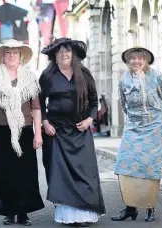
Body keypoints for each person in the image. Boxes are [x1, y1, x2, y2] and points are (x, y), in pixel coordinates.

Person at [39, 38, 106, 227]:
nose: (64, 54)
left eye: (67, 51)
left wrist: (89, 120)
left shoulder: (84, 74)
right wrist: (45, 123)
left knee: (84, 172)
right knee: (60, 174)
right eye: (60, 51)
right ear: (54, 55)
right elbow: (39, 102)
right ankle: (67, 214)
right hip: (56, 131)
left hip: (80, 129)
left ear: (73, 54)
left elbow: (94, 102)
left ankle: (85, 214)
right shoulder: (47, 75)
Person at [0, 39, 44, 226]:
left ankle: (23, 212)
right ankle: (9, 211)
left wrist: (38, 133)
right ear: (3, 56)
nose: (11, 56)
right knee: (3, 172)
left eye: (15, 53)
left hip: (24, 130)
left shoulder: (30, 77)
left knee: (25, 172)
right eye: (8, 53)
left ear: (20, 56)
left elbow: (36, 108)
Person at [111, 47, 162, 223]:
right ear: (128, 61)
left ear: (146, 60)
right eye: (133, 58)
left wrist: (156, 120)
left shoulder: (157, 76)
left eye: (140, 58)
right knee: (125, 165)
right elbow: (123, 103)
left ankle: (149, 208)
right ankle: (130, 208)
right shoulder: (124, 79)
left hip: (154, 127)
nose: (136, 61)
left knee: (150, 168)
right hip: (133, 127)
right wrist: (134, 120)